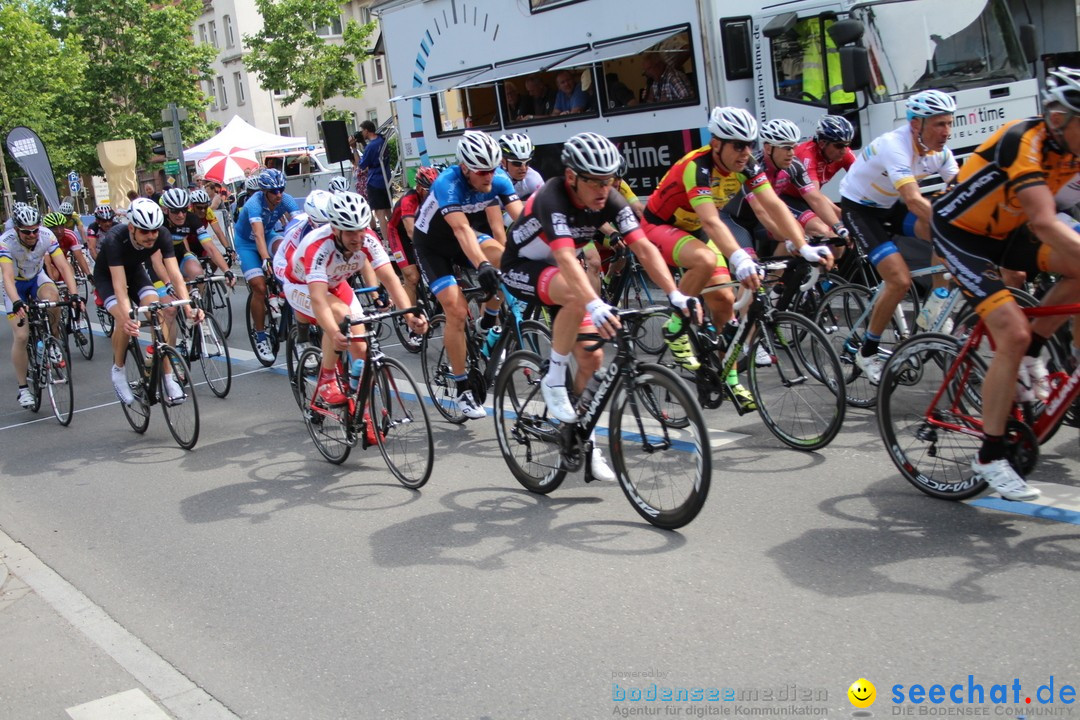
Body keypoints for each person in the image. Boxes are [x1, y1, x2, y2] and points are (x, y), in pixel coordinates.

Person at [501, 132, 695, 481]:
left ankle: (582, 440)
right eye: (596, 182)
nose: (605, 190)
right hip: (521, 267)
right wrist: (596, 303)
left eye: (610, 181)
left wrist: (675, 293)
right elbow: (563, 255)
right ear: (573, 177)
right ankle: (554, 378)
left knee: (592, 358)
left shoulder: (609, 200)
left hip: (560, 272)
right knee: (580, 295)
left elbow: (646, 249)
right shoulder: (552, 196)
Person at [930, 67, 1080, 501]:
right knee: (1010, 333)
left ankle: (1036, 353)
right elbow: (1045, 222)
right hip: (961, 234)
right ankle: (990, 456)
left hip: (1006, 231)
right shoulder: (1025, 142)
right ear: (1058, 119)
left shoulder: (1070, 150)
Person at [642, 106, 834, 410]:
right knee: (705, 260)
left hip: (695, 232)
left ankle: (729, 379)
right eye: (737, 145)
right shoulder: (698, 167)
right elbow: (711, 222)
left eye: (749, 144)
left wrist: (801, 244)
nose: (745, 152)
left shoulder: (747, 166)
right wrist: (739, 259)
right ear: (716, 143)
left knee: (725, 303)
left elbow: (774, 205)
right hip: (661, 226)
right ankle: (675, 325)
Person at [839, 89, 959, 385]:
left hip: (891, 206)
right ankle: (866, 353)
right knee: (900, 280)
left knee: (943, 237)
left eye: (949, 123)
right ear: (916, 124)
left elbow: (961, 191)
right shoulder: (895, 145)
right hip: (861, 210)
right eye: (939, 124)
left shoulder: (941, 153)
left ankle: (936, 305)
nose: (947, 132)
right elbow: (915, 200)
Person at [412, 130, 523, 419]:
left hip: (467, 238)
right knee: (457, 311)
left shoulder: (498, 178)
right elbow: (460, 230)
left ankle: (488, 321)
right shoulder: (447, 183)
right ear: (465, 168)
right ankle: (462, 388)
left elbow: (524, 219)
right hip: (433, 246)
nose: (489, 176)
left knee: (506, 259)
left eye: (493, 169)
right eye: (482, 171)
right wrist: (481, 265)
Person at [284, 192, 426, 409]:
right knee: (340, 315)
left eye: (360, 229)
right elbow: (319, 299)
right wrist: (333, 332)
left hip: (335, 283)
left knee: (361, 349)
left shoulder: (368, 237)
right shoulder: (319, 246)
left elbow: (390, 280)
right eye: (350, 231)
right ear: (335, 229)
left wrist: (409, 315)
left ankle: (365, 414)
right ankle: (327, 378)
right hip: (301, 284)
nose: (357, 238)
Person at [93, 198, 202, 405]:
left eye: (154, 231)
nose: (151, 236)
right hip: (108, 277)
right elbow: (119, 286)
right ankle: (118, 369)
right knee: (125, 321)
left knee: (158, 313)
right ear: (132, 227)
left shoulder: (162, 235)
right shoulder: (115, 238)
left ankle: (168, 378)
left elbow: (175, 275)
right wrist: (128, 317)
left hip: (135, 273)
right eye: (144, 231)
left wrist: (188, 308)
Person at [724, 118, 848, 255]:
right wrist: (790, 238)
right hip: (736, 220)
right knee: (750, 269)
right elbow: (760, 211)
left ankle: (787, 276)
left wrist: (839, 227)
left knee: (800, 235)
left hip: (763, 219)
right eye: (786, 148)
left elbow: (815, 198)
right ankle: (774, 276)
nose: (792, 153)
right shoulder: (751, 167)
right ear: (768, 148)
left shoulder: (794, 165)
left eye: (794, 147)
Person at [1, 205, 81, 409]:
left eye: (35, 229)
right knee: (21, 336)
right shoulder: (5, 242)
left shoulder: (46, 236)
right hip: (15, 285)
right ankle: (23, 389)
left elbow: (63, 266)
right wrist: (17, 301)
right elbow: (8, 277)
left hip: (37, 277)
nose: (32, 235)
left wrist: (74, 295)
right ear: (17, 229)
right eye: (26, 231)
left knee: (53, 297)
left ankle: (52, 340)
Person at [233, 168, 298, 361]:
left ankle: (280, 290)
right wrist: (265, 259)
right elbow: (258, 235)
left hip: (269, 236)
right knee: (259, 287)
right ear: (264, 192)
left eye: (281, 189)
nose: (278, 194)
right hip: (247, 243)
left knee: (284, 248)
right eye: (274, 191)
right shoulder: (254, 204)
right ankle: (260, 336)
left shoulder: (286, 199)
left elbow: (299, 226)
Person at [387, 166, 440, 349]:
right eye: (428, 191)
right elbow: (411, 232)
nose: (432, 194)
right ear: (419, 188)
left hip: (420, 233)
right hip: (399, 234)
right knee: (412, 276)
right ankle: (411, 324)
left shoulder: (436, 197)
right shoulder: (409, 200)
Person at [158, 188, 235, 286]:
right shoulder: (159, 222)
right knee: (171, 293)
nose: (181, 215)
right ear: (165, 210)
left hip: (180, 252)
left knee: (198, 275)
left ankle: (197, 299)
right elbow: (156, 259)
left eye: (184, 210)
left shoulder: (192, 218)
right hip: (160, 257)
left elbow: (211, 247)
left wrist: (226, 271)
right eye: (175, 211)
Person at [796, 115, 858, 219]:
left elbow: (861, 178)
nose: (844, 150)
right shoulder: (808, 156)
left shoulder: (844, 153)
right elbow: (814, 197)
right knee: (823, 229)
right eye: (839, 146)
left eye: (847, 144)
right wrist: (843, 217)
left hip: (808, 197)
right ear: (822, 143)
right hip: (789, 197)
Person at [356, 120, 392, 239]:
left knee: (379, 214)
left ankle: (387, 244)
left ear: (366, 130)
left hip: (375, 182)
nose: (361, 133)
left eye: (362, 131)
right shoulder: (382, 140)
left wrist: (354, 149)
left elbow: (361, 165)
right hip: (387, 180)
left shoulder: (371, 146)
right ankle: (397, 239)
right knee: (388, 212)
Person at [41, 212, 92, 282]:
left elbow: (79, 257)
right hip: (46, 265)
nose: (59, 231)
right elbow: (47, 263)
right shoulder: (43, 238)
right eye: (54, 228)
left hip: (63, 262)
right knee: (54, 275)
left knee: (71, 276)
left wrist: (88, 274)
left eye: (61, 227)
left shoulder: (70, 235)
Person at [188, 188, 233, 258]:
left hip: (199, 241)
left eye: (205, 207)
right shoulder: (187, 213)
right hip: (187, 242)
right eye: (199, 207)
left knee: (214, 259)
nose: (203, 210)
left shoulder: (208, 211)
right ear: (192, 206)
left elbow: (219, 232)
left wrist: (228, 248)